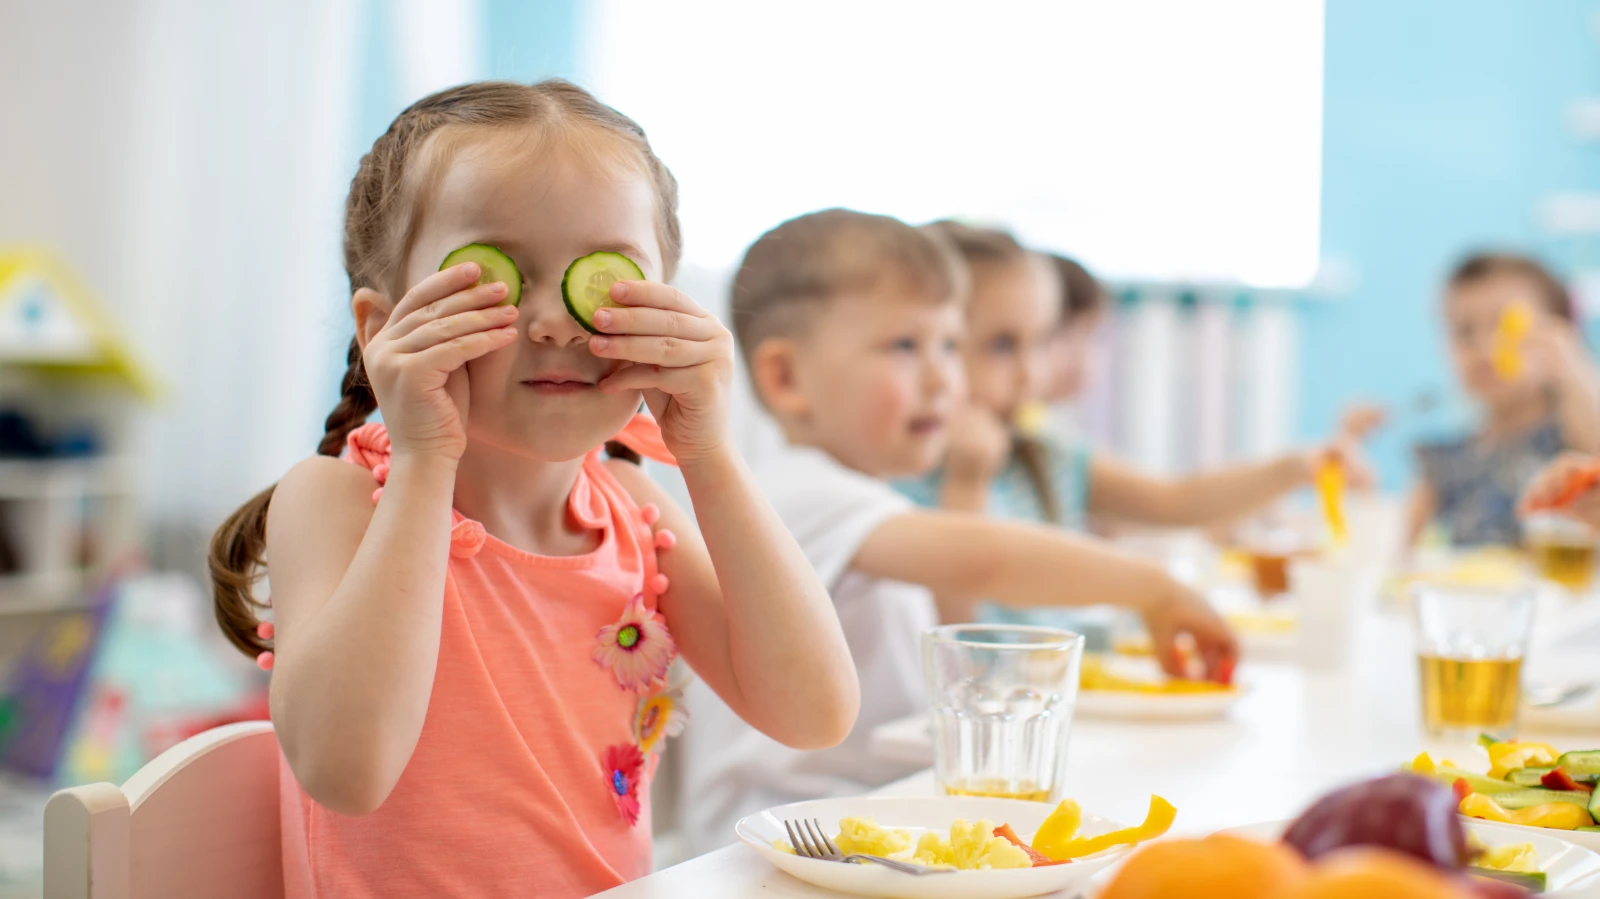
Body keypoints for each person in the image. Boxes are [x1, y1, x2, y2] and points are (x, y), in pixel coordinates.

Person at [206, 81, 858, 899]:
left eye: (603, 278)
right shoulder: (336, 501)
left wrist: (710, 455)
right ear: (382, 330)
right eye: (496, 276)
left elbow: (814, 713)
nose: (554, 321)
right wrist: (425, 459)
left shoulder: (637, 511)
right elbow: (347, 772)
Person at [676, 208, 1236, 853]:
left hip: (864, 820)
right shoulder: (797, 494)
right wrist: (1155, 588)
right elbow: (989, 560)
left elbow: (960, 633)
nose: (945, 378)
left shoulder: (870, 500)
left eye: (948, 344)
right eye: (904, 347)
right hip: (771, 838)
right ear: (786, 378)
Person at [898, 222, 1362, 542]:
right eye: (1002, 345)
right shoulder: (904, 481)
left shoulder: (1046, 451)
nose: (1029, 372)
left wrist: (1294, 468)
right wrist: (966, 484)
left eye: (1040, 342)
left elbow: (1173, 501)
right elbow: (952, 634)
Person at [1409, 253, 1600, 547]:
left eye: (1506, 326)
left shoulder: (1576, 439)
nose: (1485, 347)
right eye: (1465, 332)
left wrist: (1573, 369)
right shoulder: (1444, 459)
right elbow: (1402, 553)